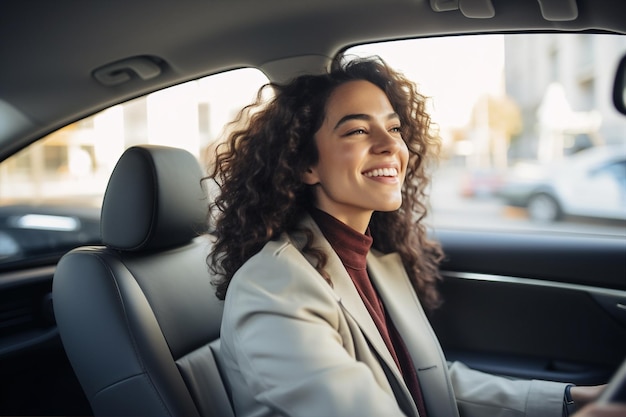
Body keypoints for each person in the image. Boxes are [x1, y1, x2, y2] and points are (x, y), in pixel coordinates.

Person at [206, 56, 609, 417]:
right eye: (358, 131)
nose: (389, 145)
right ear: (306, 164)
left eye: (394, 127)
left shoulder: (378, 261)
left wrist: (575, 400)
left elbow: (426, 384)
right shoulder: (272, 288)